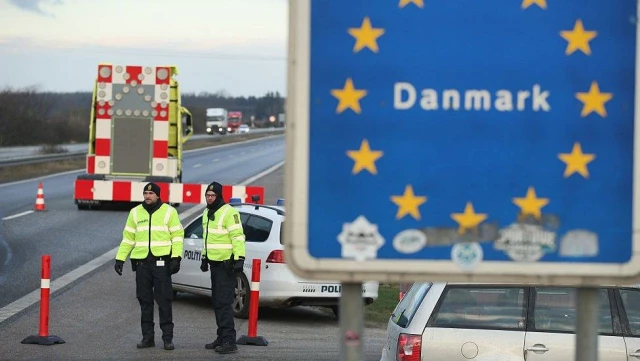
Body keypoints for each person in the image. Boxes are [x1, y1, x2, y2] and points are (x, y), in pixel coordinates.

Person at [114, 182, 184, 351]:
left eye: (151, 194)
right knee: (145, 302)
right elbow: (128, 238)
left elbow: (177, 236)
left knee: (164, 301)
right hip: (142, 265)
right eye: (145, 193)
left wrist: (176, 258)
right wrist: (120, 259)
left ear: (158, 195)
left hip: (162, 264)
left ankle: (167, 339)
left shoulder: (169, 211)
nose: (147, 196)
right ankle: (148, 338)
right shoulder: (135, 212)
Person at [199, 181, 246, 354]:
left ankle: (229, 341)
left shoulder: (229, 212)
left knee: (224, 303)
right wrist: (204, 257)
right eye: (207, 196)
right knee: (217, 303)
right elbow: (207, 238)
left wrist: (239, 258)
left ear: (219, 196)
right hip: (214, 265)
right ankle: (221, 337)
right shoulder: (207, 212)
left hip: (227, 265)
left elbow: (238, 237)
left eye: (212, 196)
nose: (209, 198)